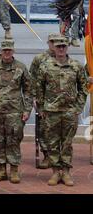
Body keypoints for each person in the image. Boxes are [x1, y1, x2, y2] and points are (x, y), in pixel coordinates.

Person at [36, 36, 88, 186]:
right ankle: (54, 172)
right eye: (58, 46)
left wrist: (78, 108)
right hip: (51, 111)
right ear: (54, 47)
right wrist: (41, 107)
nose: (60, 49)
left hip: (69, 111)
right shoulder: (45, 66)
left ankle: (65, 172)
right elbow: (39, 88)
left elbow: (83, 88)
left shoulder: (76, 66)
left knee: (67, 143)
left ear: (67, 47)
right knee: (52, 143)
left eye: (63, 46)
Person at [0, 40, 32, 184]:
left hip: (15, 111)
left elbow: (28, 90)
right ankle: (1, 170)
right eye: (4, 50)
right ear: (1, 51)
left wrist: (27, 109)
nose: (7, 53)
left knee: (14, 140)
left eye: (9, 50)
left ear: (13, 51)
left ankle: (14, 170)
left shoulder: (21, 67)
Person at [29, 33, 58, 169]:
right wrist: (33, 98)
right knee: (43, 129)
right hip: (43, 101)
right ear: (48, 43)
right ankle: (46, 155)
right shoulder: (39, 59)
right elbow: (32, 79)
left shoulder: (63, 58)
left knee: (58, 129)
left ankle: (57, 156)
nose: (54, 44)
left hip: (60, 101)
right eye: (52, 42)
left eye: (57, 42)